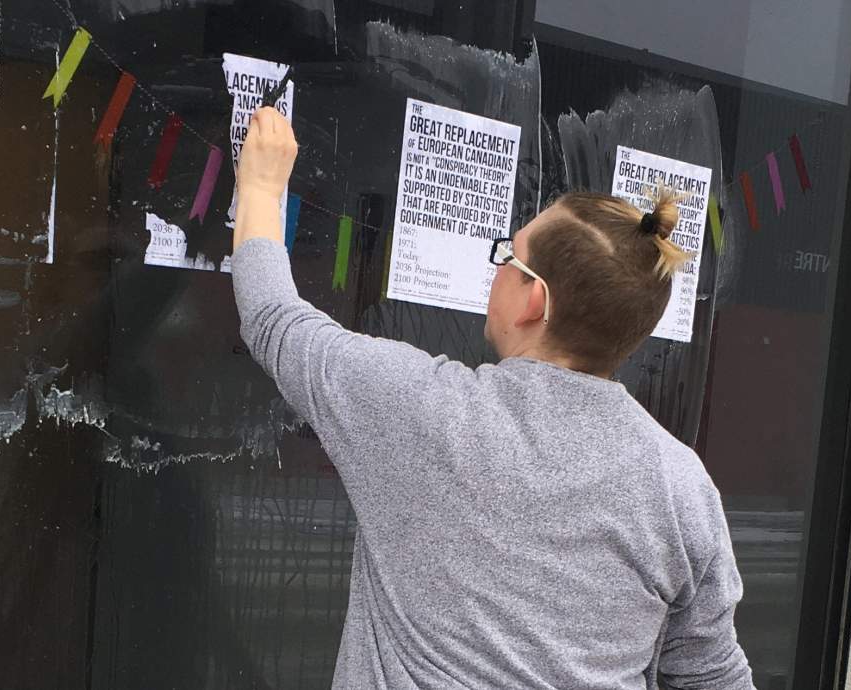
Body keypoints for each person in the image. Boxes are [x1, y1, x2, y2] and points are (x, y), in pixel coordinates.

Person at [230, 107, 755, 689]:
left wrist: (259, 184)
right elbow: (712, 676)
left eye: (509, 255)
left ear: (536, 301)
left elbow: (273, 317)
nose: (496, 269)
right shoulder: (681, 487)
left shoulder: (421, 409)